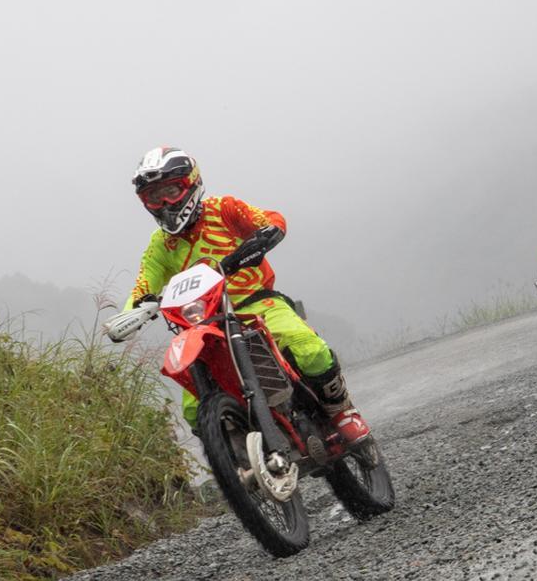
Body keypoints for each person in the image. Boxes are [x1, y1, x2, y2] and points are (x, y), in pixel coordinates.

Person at [110, 147, 371, 444]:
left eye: (171, 190)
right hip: (204, 324)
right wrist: (129, 314)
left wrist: (266, 233)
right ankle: (235, 458)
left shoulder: (224, 208)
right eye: (154, 197)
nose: (165, 203)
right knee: (194, 409)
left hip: (256, 303)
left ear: (191, 184)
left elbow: (269, 220)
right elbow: (143, 287)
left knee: (306, 346)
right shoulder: (160, 246)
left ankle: (342, 411)